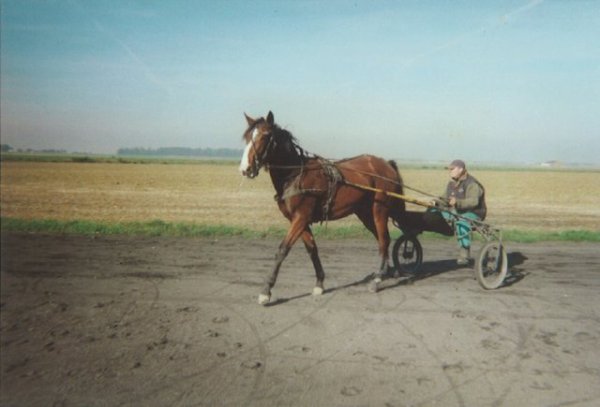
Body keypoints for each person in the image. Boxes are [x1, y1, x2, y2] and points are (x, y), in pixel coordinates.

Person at [433, 159, 487, 266]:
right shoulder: (451, 184)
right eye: (449, 169)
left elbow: (473, 202)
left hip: (474, 213)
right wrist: (436, 202)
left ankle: (464, 252)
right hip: (458, 212)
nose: (450, 171)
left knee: (462, 220)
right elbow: (444, 199)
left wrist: (457, 203)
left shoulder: (472, 183)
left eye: (452, 169)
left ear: (461, 169)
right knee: (435, 211)